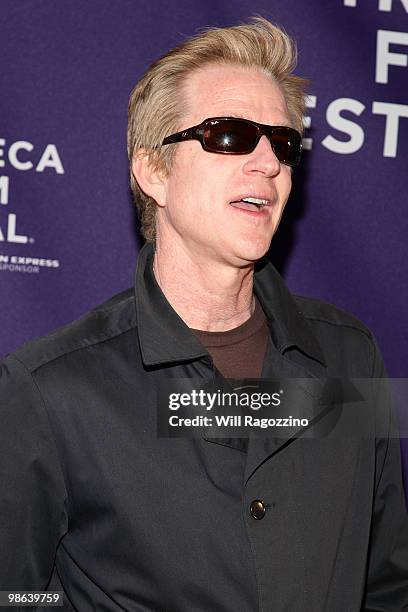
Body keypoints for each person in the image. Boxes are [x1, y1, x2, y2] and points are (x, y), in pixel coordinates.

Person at [1, 17, 407, 612]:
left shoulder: (351, 355)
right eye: (228, 136)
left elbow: (388, 582)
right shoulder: (49, 389)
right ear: (153, 171)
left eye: (283, 143)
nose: (267, 162)